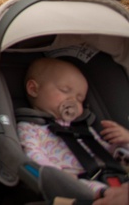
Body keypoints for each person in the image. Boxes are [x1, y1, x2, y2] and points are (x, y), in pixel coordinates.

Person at [17, 58, 129, 197]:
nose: (73, 101)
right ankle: (109, 195)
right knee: (91, 189)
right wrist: (59, 177)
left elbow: (102, 151)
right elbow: (33, 154)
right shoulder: (29, 128)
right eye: (65, 90)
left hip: (111, 173)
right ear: (34, 89)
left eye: (80, 99)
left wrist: (123, 141)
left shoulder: (82, 128)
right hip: (74, 181)